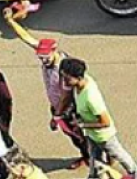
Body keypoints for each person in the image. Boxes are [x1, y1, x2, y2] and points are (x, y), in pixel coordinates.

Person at [6, 16, 85, 168]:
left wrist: (57, 115)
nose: (43, 60)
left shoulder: (63, 70)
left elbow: (66, 96)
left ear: (54, 51)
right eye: (40, 57)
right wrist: (11, 22)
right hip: (57, 105)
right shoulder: (46, 54)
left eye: (45, 57)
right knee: (73, 136)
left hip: (68, 109)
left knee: (80, 136)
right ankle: (86, 156)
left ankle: (91, 158)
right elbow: (27, 38)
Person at [62, 58, 137, 179]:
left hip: (104, 136)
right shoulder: (81, 84)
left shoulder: (91, 97)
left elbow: (105, 122)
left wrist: (83, 124)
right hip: (92, 134)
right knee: (94, 157)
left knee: (120, 155)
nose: (64, 82)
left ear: (79, 77)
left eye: (67, 79)